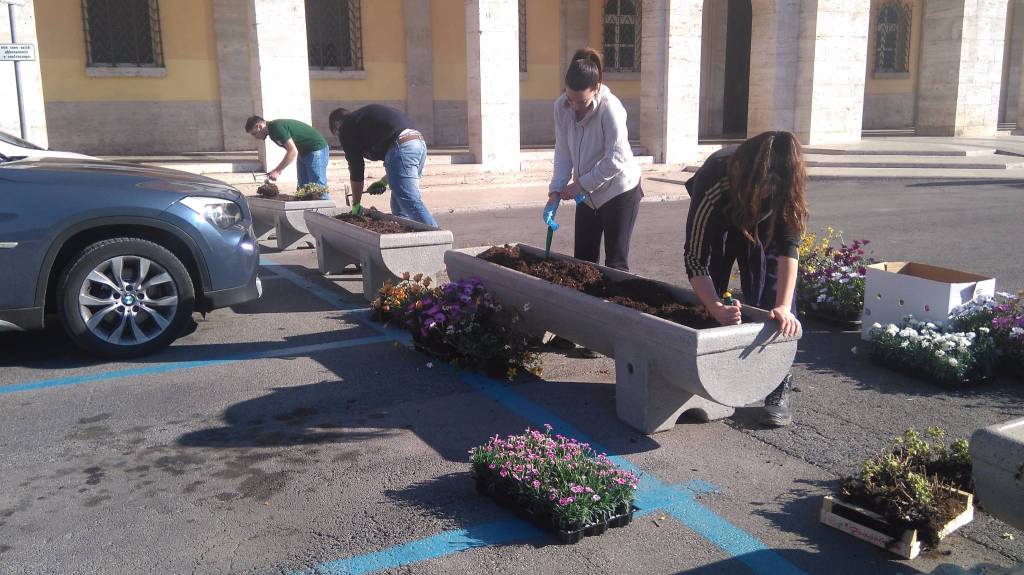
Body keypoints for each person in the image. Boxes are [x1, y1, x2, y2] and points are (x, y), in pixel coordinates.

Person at [683, 130, 809, 427]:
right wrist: (714, 305)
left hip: (761, 224)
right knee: (713, 285)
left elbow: (789, 249)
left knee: (771, 291)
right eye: (745, 182)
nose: (754, 192)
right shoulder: (714, 180)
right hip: (721, 219)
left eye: (761, 190)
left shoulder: (784, 188)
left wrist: (784, 307)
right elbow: (694, 257)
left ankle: (778, 379)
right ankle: (712, 372)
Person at [545, 47, 643, 358]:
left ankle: (611, 338)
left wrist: (580, 185)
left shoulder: (610, 109)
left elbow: (617, 159)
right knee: (582, 263)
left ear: (596, 89)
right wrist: (555, 193)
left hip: (619, 192)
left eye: (581, 101)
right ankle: (575, 332)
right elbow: (563, 154)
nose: (573, 107)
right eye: (569, 98)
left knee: (615, 264)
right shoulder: (562, 107)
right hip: (587, 193)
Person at [328, 105, 438, 227]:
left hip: (402, 146)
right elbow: (400, 161)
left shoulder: (346, 127)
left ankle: (439, 240)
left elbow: (356, 168)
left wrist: (356, 204)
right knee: (399, 207)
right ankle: (408, 241)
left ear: (337, 124)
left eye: (337, 134)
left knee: (409, 202)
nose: (339, 137)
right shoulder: (363, 120)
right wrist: (383, 182)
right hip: (417, 142)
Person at [244, 116, 330, 196]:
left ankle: (324, 210)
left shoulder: (276, 127)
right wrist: (277, 169)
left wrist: (277, 171)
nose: (255, 137)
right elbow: (292, 151)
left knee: (317, 188)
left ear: (259, 126)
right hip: (303, 152)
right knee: (303, 188)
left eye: (254, 134)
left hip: (316, 148)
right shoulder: (272, 133)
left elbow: (292, 152)